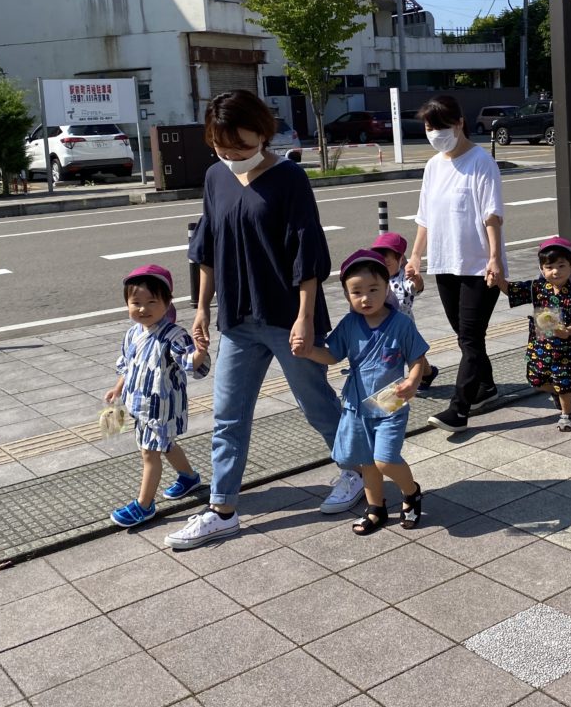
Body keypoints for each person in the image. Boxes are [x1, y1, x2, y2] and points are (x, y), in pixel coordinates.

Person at [169, 89, 360, 551]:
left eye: (242, 146)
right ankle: (222, 510)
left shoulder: (289, 177)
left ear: (263, 132)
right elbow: (208, 250)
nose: (233, 155)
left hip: (287, 316)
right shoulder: (216, 177)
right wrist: (202, 308)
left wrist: (305, 317)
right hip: (238, 318)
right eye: (222, 147)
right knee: (228, 415)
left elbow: (307, 253)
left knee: (316, 403)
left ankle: (356, 471)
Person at [302, 250, 430, 535]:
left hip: (390, 402)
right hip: (357, 406)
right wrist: (309, 351)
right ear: (347, 295)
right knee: (367, 461)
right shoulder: (349, 325)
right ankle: (376, 508)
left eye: (373, 289)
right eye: (357, 292)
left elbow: (417, 357)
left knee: (385, 459)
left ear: (387, 288)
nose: (365, 298)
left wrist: (413, 381)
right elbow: (332, 355)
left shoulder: (401, 324)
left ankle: (411, 492)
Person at [406, 95, 506, 434]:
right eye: (429, 128)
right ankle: (486, 387)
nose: (435, 133)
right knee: (465, 336)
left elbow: (492, 215)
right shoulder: (434, 166)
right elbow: (425, 217)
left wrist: (495, 258)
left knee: (471, 337)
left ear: (460, 123)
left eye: (441, 126)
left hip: (479, 266)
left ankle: (459, 409)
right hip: (445, 263)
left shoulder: (481, 162)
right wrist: (416, 256)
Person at [104, 265, 209, 528]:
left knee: (149, 453)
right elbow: (128, 365)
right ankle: (189, 477)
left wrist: (199, 352)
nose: (143, 309)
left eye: (152, 302)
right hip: (140, 405)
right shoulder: (133, 333)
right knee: (167, 445)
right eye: (136, 303)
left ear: (167, 302)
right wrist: (118, 388)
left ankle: (144, 505)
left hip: (162, 408)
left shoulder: (174, 335)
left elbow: (189, 364)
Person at [495, 236, 571, 432]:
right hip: (539, 347)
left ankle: (567, 414)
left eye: (561, 266)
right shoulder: (537, 288)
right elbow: (512, 290)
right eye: (549, 267)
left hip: (564, 350)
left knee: (564, 383)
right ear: (541, 269)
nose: (556, 271)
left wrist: (568, 331)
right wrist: (498, 281)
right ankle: (557, 393)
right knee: (535, 380)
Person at [372, 231, 438, 388]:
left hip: (404, 326)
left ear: (400, 259)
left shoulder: (404, 277)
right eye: (380, 258)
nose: (383, 262)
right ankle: (427, 373)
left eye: (388, 259)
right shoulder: (377, 277)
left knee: (409, 354)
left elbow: (415, 287)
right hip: (383, 325)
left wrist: (417, 280)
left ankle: (408, 380)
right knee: (408, 353)